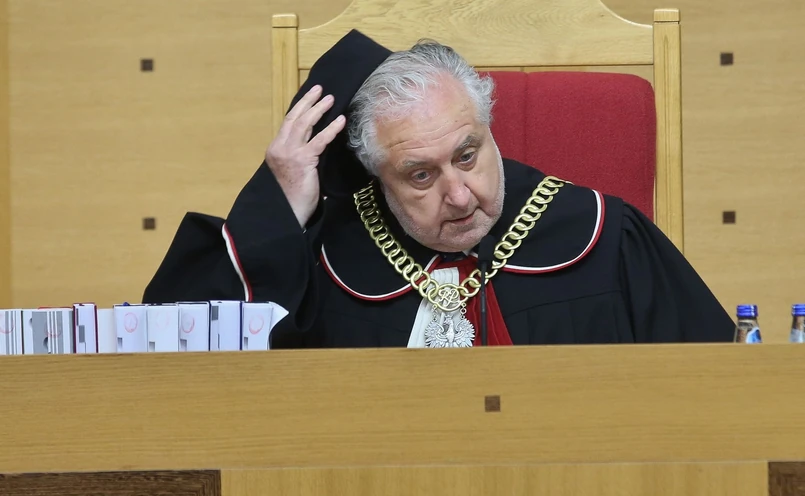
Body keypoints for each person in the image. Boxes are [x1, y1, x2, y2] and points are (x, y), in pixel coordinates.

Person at [142, 29, 736, 348]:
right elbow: (181, 361)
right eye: (420, 175)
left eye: (467, 155)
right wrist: (279, 211)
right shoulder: (330, 250)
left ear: (489, 128)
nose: (460, 195)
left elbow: (712, 391)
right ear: (376, 172)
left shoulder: (605, 235)